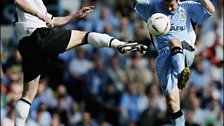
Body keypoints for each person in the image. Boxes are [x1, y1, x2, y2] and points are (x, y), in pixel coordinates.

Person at [13, 0, 148, 125]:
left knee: (28, 96)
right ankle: (120, 44)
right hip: (39, 35)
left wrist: (75, 16)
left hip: (27, 44)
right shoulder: (34, 5)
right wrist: (38, 14)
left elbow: (52, 21)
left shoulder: (39, 4)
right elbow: (18, 1)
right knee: (85, 37)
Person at [130, 0, 215, 125]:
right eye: (166, 5)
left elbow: (211, 10)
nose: (169, 8)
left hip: (185, 51)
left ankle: (182, 74)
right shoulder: (153, 6)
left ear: (178, 1)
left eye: (172, 5)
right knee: (172, 103)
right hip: (164, 57)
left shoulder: (187, 7)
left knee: (174, 41)